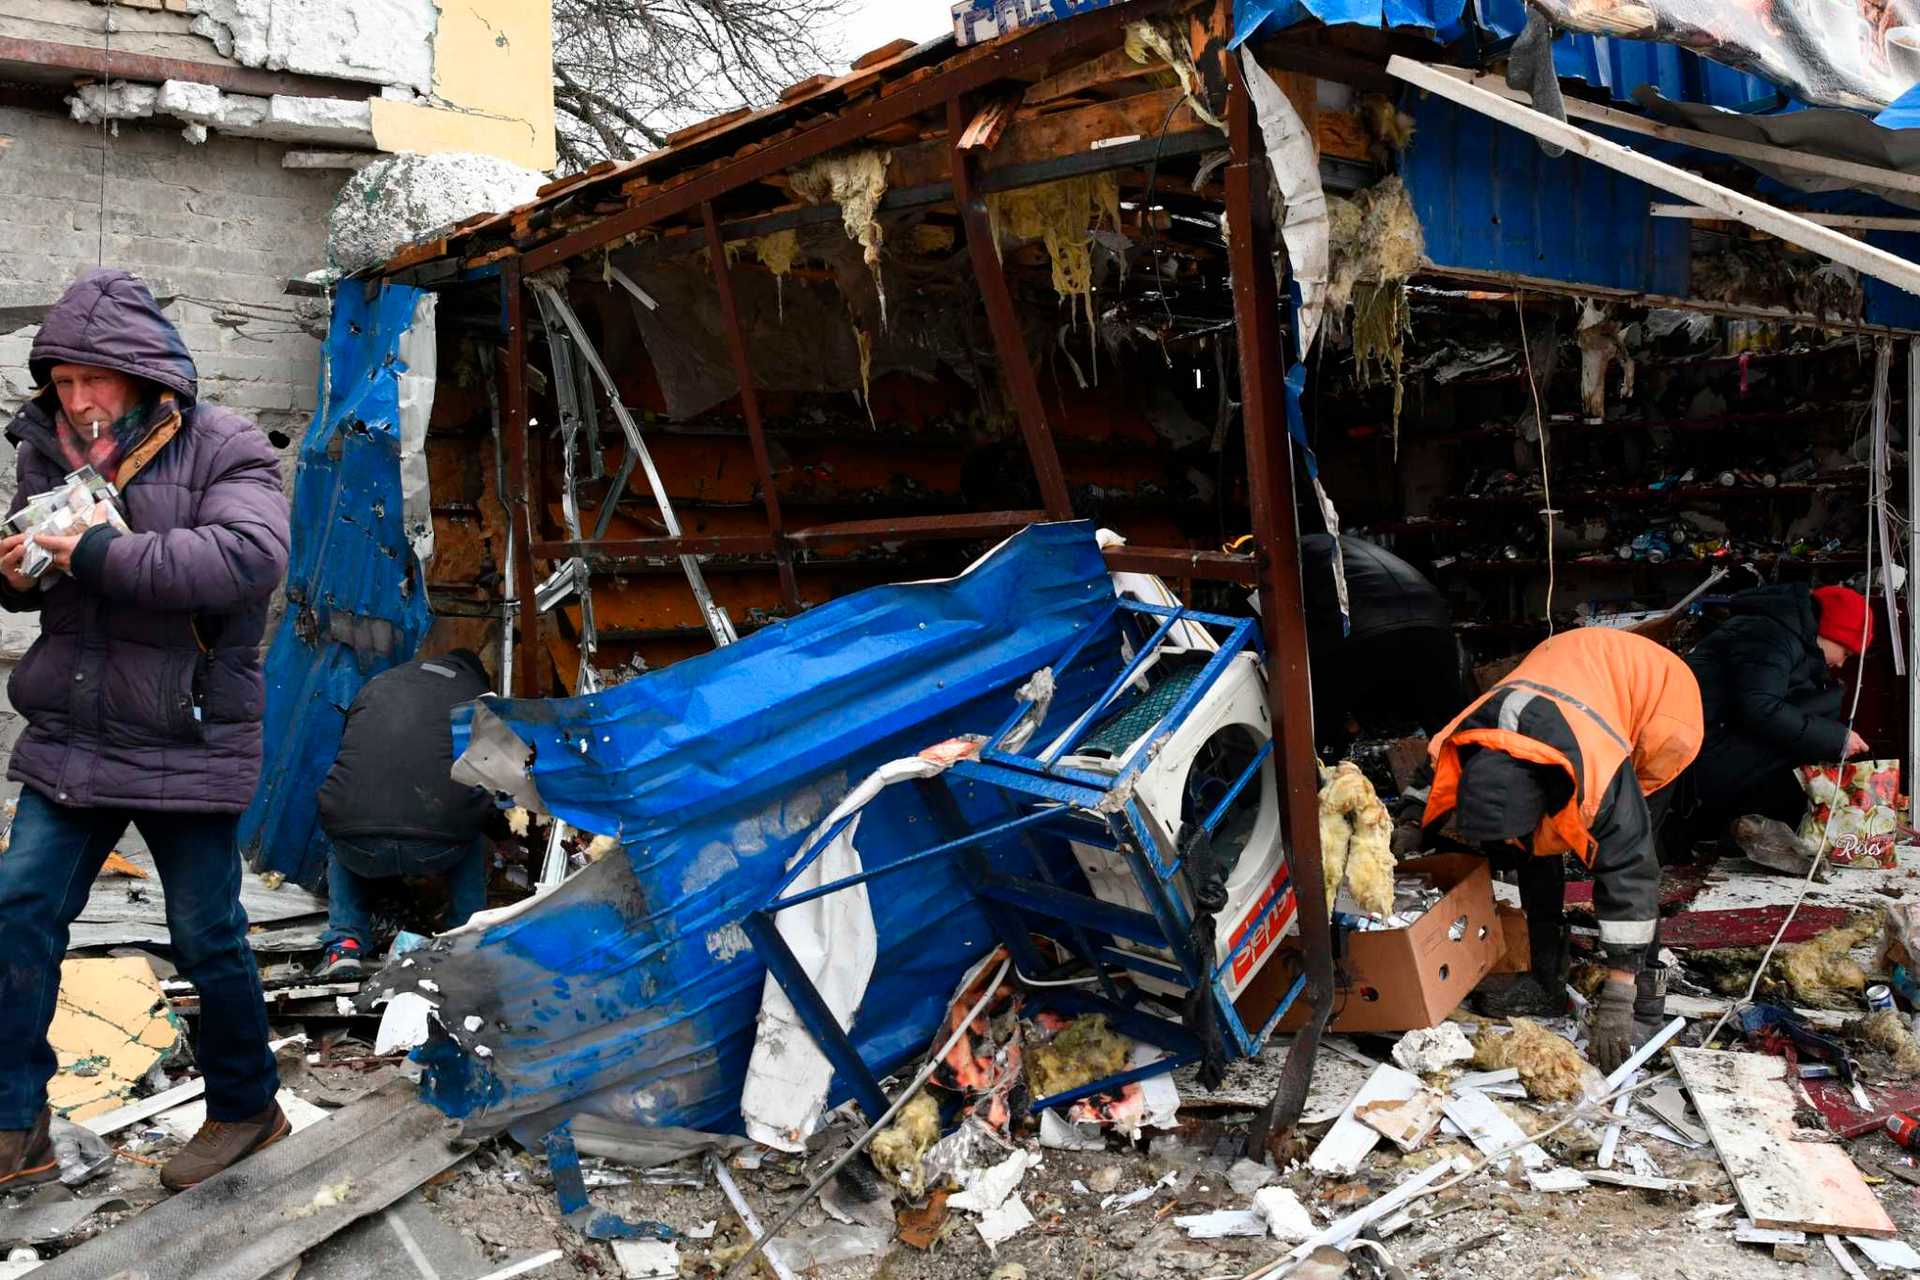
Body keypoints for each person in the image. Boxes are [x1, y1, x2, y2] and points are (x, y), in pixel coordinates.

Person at [0, 269, 291, 1190]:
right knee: (16, 914)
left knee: (207, 935)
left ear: (144, 373)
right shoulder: (46, 449)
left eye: (96, 379)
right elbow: (41, 564)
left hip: (185, 733)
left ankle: (248, 1108)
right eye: (64, 382)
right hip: (74, 731)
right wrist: (13, 572)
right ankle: (17, 1126)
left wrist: (93, 552)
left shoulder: (227, 446)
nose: (79, 401)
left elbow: (247, 558)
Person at [1423, 627, 1702, 1073]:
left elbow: (1630, 870)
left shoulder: (1601, 774)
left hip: (1661, 703)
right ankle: (1546, 979)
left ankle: (1647, 999)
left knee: (1635, 853)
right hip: (1571, 674)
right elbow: (1473, 817)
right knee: (1535, 852)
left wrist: (1618, 994)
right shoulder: (1463, 744)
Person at [315, 649, 495, 979]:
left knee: (344, 824)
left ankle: (345, 944)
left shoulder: (377, 685)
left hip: (359, 844)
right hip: (439, 846)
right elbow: (496, 778)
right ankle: (465, 942)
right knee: (473, 832)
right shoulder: (479, 697)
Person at [1673, 584, 1872, 851]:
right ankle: (1745, 835)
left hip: (1711, 743)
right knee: (1803, 754)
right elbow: (1759, 707)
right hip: (1698, 756)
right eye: (1845, 652)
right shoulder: (1768, 636)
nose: (1841, 664)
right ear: (1829, 631)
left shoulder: (1782, 636)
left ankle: (1754, 833)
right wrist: (1836, 739)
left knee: (1815, 729)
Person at [1297, 534, 1467, 759]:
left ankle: (1319, 777)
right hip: (1431, 623)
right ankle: (1474, 783)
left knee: (1315, 721)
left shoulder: (1286, 557)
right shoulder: (1342, 547)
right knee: (1451, 730)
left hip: (1370, 628)